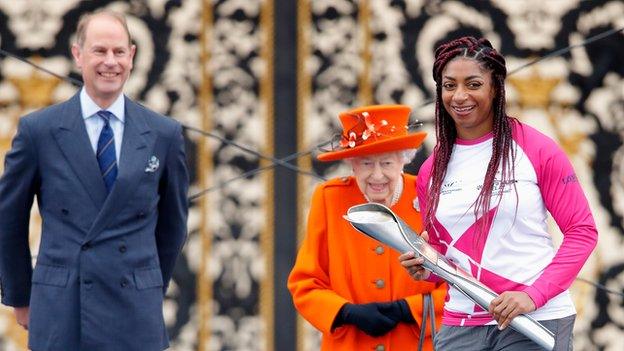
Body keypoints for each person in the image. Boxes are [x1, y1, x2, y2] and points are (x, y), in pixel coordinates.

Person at [0, 10, 188, 351]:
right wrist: (20, 295)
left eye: (118, 52)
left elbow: (173, 226)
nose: (110, 62)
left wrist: (145, 285)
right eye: (99, 51)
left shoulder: (164, 134)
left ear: (132, 56)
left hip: (135, 313)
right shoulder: (38, 131)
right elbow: (8, 219)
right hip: (62, 311)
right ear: (78, 55)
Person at [399, 36, 598, 350]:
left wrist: (533, 295)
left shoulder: (537, 148)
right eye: (449, 85)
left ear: (496, 87)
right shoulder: (430, 170)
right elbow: (443, 249)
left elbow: (582, 231)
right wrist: (426, 265)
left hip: (535, 319)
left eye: (473, 84)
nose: (460, 96)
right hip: (461, 324)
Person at [288, 105, 447, 351]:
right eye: (366, 164)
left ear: (403, 160)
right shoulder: (329, 199)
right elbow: (306, 283)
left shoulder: (431, 197)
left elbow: (457, 283)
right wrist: (346, 312)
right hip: (350, 343)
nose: (377, 175)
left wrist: (407, 310)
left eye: (386, 163)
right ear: (352, 164)